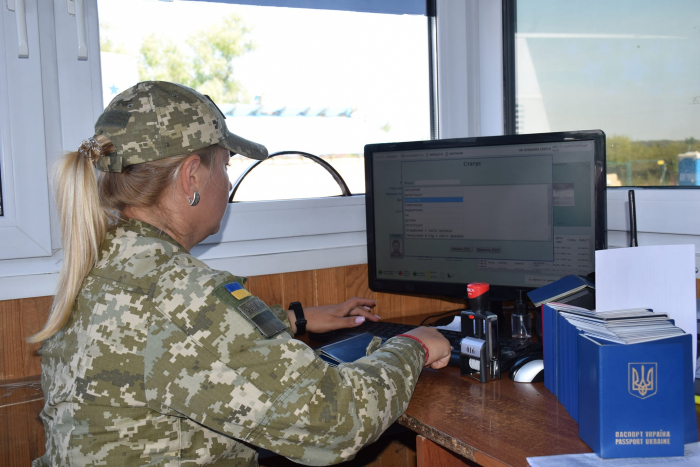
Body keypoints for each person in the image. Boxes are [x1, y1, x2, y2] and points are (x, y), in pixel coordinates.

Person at [30, 81, 452, 466]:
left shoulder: (104, 261)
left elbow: (174, 348)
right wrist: (413, 345)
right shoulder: (177, 290)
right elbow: (335, 423)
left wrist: (294, 319)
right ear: (191, 177)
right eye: (225, 165)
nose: (227, 182)